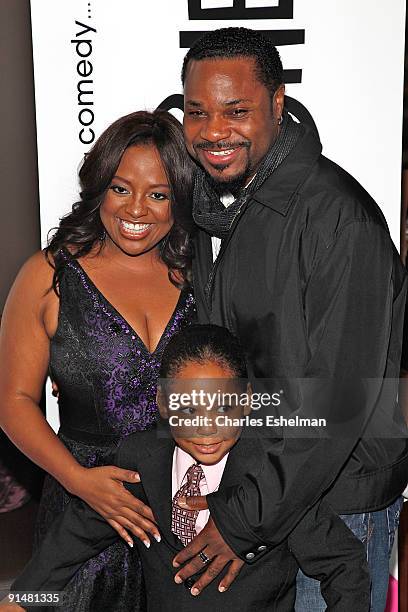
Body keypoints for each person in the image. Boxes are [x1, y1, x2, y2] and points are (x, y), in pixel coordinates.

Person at [169, 27, 408, 611]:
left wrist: (241, 519)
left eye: (237, 111)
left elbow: (339, 399)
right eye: (197, 113)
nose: (214, 131)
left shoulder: (337, 218)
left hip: (339, 505)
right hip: (271, 495)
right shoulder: (223, 208)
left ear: (278, 106)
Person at [5, 325, 370, 611]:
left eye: (223, 408)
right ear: (163, 404)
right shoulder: (142, 461)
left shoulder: (270, 476)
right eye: (190, 409)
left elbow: (343, 564)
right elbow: (75, 538)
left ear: (245, 403)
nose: (207, 427)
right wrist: (23, 600)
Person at [0, 110, 196, 611]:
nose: (138, 209)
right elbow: (14, 400)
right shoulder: (49, 275)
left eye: (159, 194)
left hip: (178, 514)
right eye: (121, 188)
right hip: (80, 509)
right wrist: (77, 479)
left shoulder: (200, 278)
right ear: (99, 188)